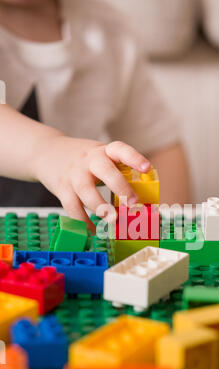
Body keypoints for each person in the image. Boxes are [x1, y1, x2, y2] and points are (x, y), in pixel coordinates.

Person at [0, 0, 190, 230]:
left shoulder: (108, 31)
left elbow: (158, 146)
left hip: (67, 233)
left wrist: (163, 230)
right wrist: (49, 151)